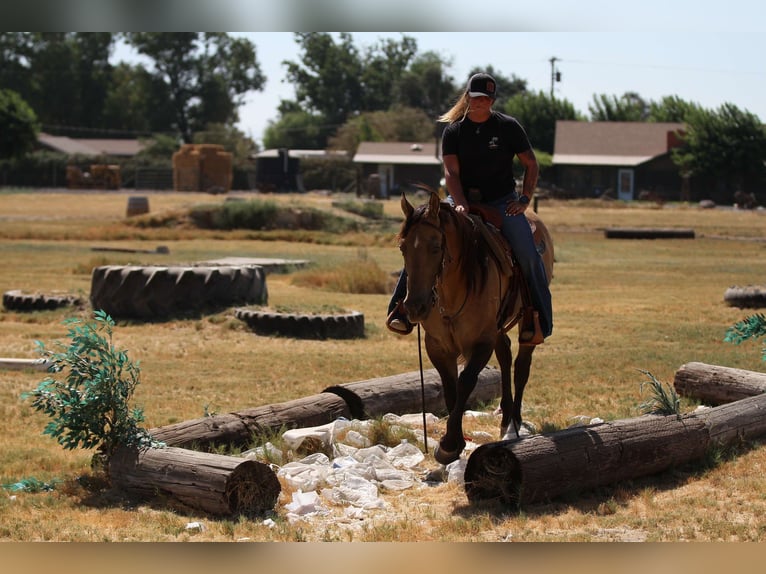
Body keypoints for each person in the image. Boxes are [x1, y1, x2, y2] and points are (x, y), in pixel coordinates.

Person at [386, 72, 553, 344]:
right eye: (475, 97)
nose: (480, 103)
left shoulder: (508, 127)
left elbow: (531, 163)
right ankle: (401, 310)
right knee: (422, 243)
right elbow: (451, 172)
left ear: (492, 100)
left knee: (528, 255)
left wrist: (523, 200)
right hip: (460, 199)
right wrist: (460, 203)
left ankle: (539, 321)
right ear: (467, 98)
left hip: (501, 201)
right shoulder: (454, 131)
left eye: (486, 98)